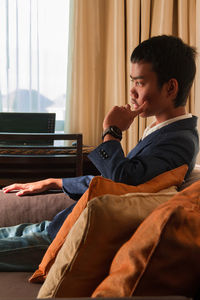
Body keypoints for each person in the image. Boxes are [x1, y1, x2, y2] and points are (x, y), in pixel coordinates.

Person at [1, 35, 199, 271]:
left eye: (140, 82)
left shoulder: (179, 141)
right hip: (60, 226)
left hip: (64, 239)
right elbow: (117, 184)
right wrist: (55, 182)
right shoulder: (161, 132)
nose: (132, 91)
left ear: (170, 87)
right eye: (132, 81)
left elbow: (123, 180)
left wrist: (112, 132)